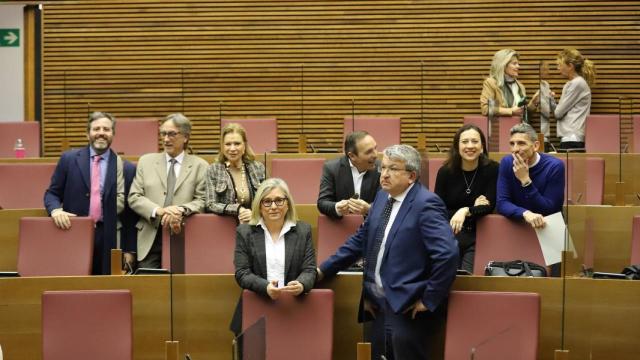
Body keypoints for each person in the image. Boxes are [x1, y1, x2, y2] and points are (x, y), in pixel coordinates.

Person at [318, 145, 458, 360]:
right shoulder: (383, 197)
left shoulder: (426, 204)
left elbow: (447, 255)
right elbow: (360, 240)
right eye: (383, 168)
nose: (384, 174)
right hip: (377, 304)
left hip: (407, 307)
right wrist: (323, 270)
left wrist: (429, 299)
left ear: (411, 176)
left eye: (392, 169)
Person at [230, 177, 317, 334]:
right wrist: (266, 287)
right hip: (255, 307)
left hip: (293, 308)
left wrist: (301, 284)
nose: (274, 206)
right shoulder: (245, 232)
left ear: (288, 203)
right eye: (267, 201)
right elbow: (242, 273)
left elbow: (309, 270)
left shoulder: (303, 231)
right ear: (259, 206)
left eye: (279, 200)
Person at [44, 111, 126, 275]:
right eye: (96, 129)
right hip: (72, 230)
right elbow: (52, 194)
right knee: (74, 281)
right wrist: (55, 210)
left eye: (106, 129)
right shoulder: (69, 159)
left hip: (107, 234)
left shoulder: (122, 165)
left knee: (103, 284)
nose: (101, 133)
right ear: (87, 133)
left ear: (113, 134)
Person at [128, 113, 208, 269]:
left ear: (185, 137)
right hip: (150, 237)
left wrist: (180, 210)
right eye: (163, 134)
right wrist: (159, 210)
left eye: (172, 134)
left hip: (184, 234)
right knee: (149, 287)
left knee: (182, 288)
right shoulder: (146, 161)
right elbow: (134, 197)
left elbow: (203, 201)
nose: (165, 139)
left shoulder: (200, 166)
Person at [435, 124, 499, 273]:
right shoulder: (445, 172)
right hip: (450, 234)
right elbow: (438, 209)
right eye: (465, 142)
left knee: (467, 278)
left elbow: (488, 207)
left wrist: (465, 210)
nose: (470, 146)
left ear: (482, 147)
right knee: (448, 277)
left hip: (480, 235)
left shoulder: (493, 169)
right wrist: (473, 207)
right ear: (457, 147)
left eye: (475, 141)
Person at [496, 123, 564, 229]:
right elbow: (502, 203)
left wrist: (525, 181)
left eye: (521, 143)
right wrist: (525, 213)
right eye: (512, 144)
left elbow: (550, 210)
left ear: (535, 146)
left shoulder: (554, 166)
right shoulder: (506, 163)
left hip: (546, 227)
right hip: (518, 225)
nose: (515, 149)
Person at [205, 123, 265, 224]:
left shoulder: (257, 168)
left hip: (255, 226)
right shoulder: (213, 170)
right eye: (228, 144)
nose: (232, 149)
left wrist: (255, 213)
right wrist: (237, 209)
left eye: (237, 144)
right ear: (222, 147)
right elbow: (210, 204)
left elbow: (267, 199)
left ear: (244, 145)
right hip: (225, 228)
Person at [317, 131, 380, 219]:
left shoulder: (381, 169)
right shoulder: (332, 169)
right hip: (342, 227)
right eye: (369, 152)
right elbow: (322, 203)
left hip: (371, 228)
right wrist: (337, 207)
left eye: (375, 148)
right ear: (352, 156)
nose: (376, 155)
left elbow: (387, 202)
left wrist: (369, 209)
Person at [551, 48, 596, 151]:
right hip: (571, 137)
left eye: (560, 65)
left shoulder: (577, 83)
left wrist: (550, 101)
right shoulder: (573, 83)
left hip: (572, 138)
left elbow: (558, 113)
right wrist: (551, 101)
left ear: (570, 66)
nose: (558, 68)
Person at [480, 49, 538, 119]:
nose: (518, 66)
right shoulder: (491, 83)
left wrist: (533, 102)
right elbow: (486, 109)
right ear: (503, 65)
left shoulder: (520, 86)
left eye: (518, 64)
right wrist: (511, 111)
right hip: (502, 127)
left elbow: (524, 113)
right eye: (514, 63)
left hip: (520, 128)